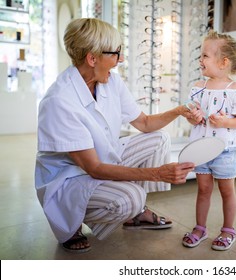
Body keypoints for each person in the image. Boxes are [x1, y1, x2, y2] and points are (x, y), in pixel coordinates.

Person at [34, 18, 195, 253]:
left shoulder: (111, 82)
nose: (121, 60)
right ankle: (74, 221)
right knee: (130, 198)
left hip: (101, 160)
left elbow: (145, 123)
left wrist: (180, 110)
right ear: (92, 58)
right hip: (71, 179)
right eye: (116, 54)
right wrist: (158, 173)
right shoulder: (59, 101)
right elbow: (94, 169)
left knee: (159, 140)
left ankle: (136, 213)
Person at [182, 31, 236, 250]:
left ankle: (228, 230)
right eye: (201, 55)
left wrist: (225, 122)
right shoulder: (198, 87)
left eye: (205, 56)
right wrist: (193, 118)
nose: (200, 60)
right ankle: (200, 228)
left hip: (224, 151)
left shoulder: (235, 91)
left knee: (226, 191)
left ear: (223, 62)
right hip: (200, 150)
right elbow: (190, 115)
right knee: (203, 189)